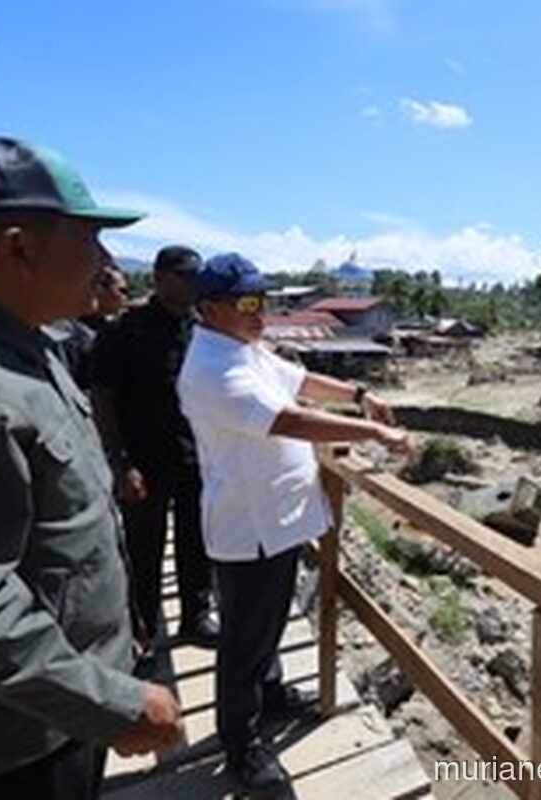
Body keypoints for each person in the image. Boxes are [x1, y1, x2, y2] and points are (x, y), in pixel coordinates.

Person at [0, 135, 184, 798]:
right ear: (18, 248)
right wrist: (110, 703)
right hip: (17, 743)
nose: (106, 262)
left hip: (58, 709)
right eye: (89, 239)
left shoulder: (30, 348)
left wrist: (119, 624)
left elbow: (61, 525)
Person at [177, 252, 411, 792]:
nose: (261, 311)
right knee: (244, 642)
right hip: (249, 525)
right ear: (210, 309)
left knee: (271, 624)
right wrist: (372, 433)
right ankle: (242, 745)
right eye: (248, 302)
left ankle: (272, 694)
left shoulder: (244, 348)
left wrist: (359, 395)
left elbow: (301, 381)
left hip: (277, 519)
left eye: (264, 299)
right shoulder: (213, 369)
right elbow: (287, 419)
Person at [92, 245, 218, 652]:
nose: (192, 284)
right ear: (160, 277)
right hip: (143, 462)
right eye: (184, 276)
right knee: (143, 550)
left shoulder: (204, 330)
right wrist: (120, 462)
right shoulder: (126, 330)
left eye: (196, 276)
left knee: (196, 541)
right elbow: (103, 398)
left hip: (195, 458)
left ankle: (196, 617)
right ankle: (143, 632)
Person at [47, 261, 128, 391]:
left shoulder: (112, 329)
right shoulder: (68, 334)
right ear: (99, 289)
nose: (125, 297)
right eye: (122, 290)